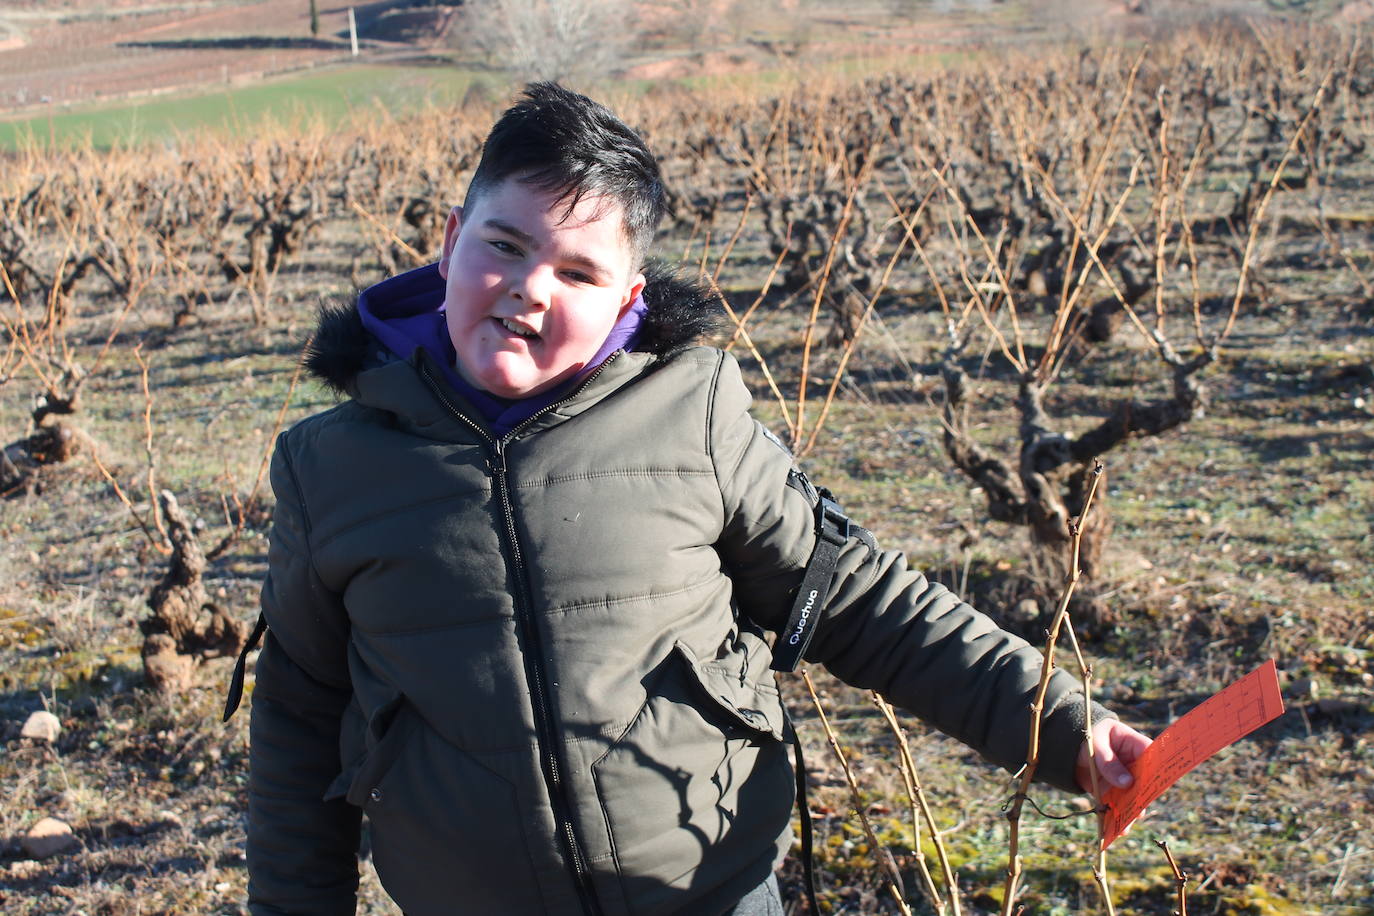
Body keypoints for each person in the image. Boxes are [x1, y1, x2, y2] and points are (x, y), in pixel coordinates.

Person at [231, 82, 1150, 916]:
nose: (526, 289)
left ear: (627, 299)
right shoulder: (333, 466)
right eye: (502, 245)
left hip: (709, 896)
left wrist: (1062, 726)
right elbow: (297, 722)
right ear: (448, 244)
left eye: (577, 272)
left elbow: (861, 602)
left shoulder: (690, 413)